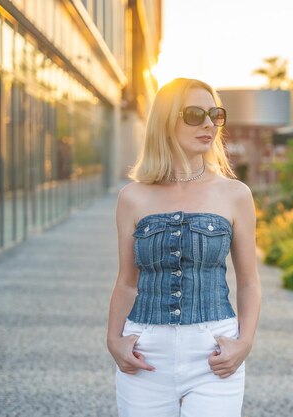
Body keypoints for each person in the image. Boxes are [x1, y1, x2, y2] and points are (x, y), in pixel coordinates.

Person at [107, 78, 261, 417]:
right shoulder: (132, 198)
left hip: (214, 352)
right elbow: (126, 281)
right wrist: (114, 339)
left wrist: (244, 342)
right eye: (194, 114)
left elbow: (249, 282)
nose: (208, 123)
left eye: (214, 114)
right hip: (145, 352)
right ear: (166, 120)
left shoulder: (236, 195)